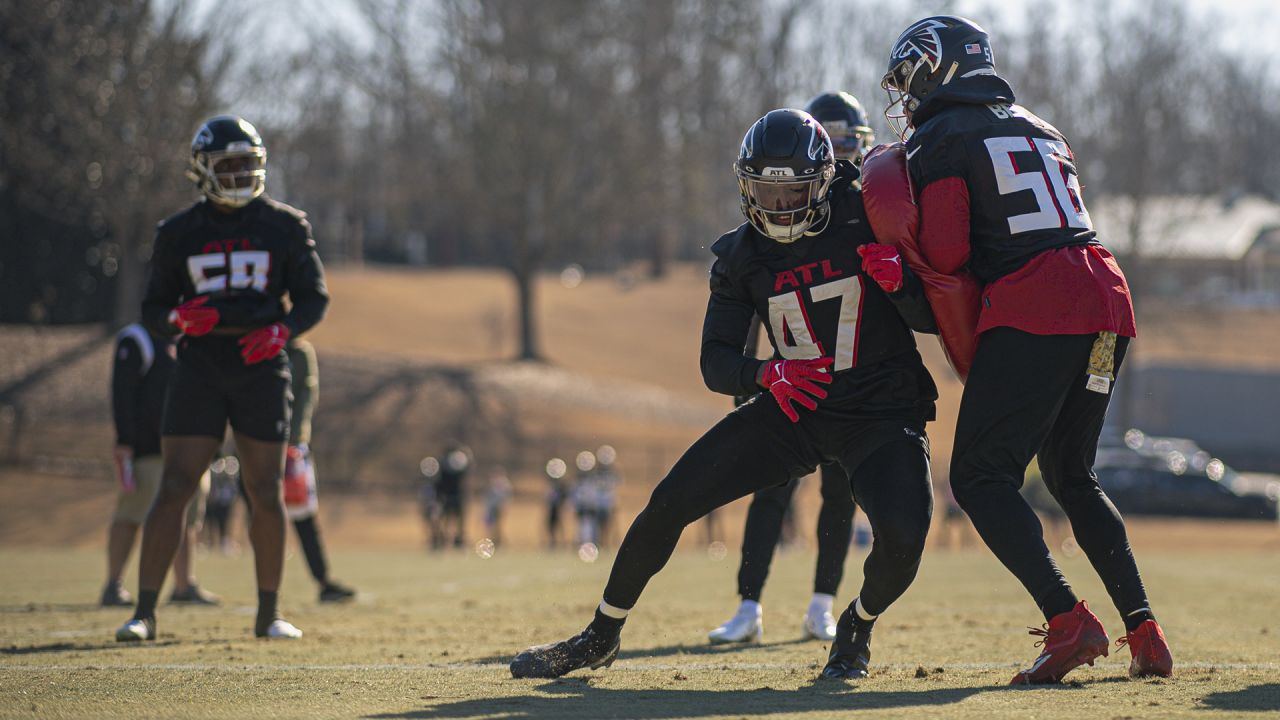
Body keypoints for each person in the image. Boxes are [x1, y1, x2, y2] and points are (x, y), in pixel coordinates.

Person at [510, 108, 938, 680]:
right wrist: (767, 375)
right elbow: (716, 361)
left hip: (880, 411)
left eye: (795, 192)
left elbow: (933, 317)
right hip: (795, 408)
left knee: (905, 539)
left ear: (827, 180)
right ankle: (601, 633)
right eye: (766, 191)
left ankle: (855, 626)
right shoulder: (742, 256)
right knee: (669, 501)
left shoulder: (868, 215)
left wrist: (903, 284)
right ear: (745, 186)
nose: (780, 207)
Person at [880, 15, 1172, 682]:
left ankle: (1069, 621)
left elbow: (952, 256)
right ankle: (1146, 631)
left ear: (934, 67)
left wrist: (902, 278)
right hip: (1108, 303)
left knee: (980, 477)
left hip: (1043, 304)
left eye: (907, 80)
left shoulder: (941, 136)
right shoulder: (1041, 126)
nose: (904, 98)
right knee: (1072, 475)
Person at [115, 114, 328, 642]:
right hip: (199, 365)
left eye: (245, 164)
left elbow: (313, 298)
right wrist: (176, 321)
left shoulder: (285, 224)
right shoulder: (178, 232)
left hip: (261, 365)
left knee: (265, 488)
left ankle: (269, 612)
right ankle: (144, 611)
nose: (237, 174)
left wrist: (284, 329)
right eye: (226, 165)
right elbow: (153, 308)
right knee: (176, 485)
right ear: (202, 170)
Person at [709, 91, 876, 645]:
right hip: (790, 379)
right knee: (770, 491)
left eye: (852, 143)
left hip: (850, 384)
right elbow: (757, 295)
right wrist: (754, 373)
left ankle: (822, 604)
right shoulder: (774, 227)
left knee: (839, 494)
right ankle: (748, 605)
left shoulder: (862, 214)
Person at [102, 323, 219, 607]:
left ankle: (183, 585)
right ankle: (113, 584)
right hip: (150, 450)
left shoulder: (193, 340)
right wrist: (125, 440)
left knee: (187, 519)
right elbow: (122, 392)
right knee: (132, 515)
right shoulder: (138, 339)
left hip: (190, 450)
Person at [283, 338, 356, 603]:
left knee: (304, 517)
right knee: (264, 516)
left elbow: (306, 394)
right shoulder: (250, 341)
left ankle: (323, 580)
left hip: (292, 449)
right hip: (255, 443)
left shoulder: (299, 352)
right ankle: (267, 588)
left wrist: (295, 439)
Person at [435, 442, 471, 549]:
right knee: (451, 520)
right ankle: (448, 541)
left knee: (452, 520)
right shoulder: (452, 466)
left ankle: (455, 541)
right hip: (452, 497)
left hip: (452, 497)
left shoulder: (446, 466)